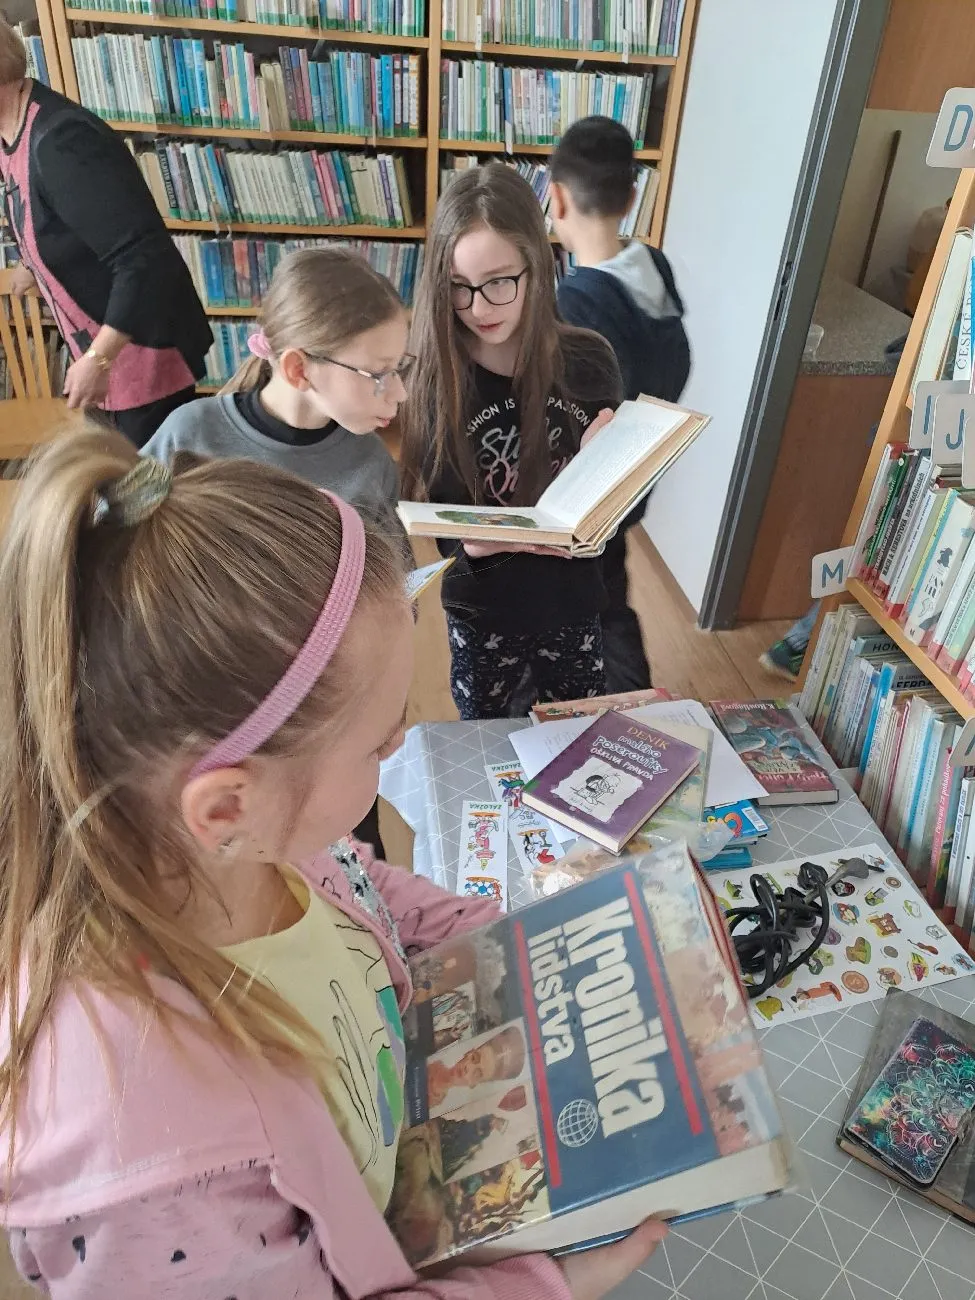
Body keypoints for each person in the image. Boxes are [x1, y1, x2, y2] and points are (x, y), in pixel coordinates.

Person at [0, 429, 666, 1297]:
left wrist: (519, 937)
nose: (400, 747)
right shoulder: (158, 1176)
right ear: (227, 805)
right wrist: (544, 1288)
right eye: (380, 744)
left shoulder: (245, 847)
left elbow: (358, 886)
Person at [144, 246, 413, 854]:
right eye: (378, 373)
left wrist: (386, 707)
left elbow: (396, 592)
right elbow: (113, 543)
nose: (397, 393)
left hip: (331, 724)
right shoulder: (189, 435)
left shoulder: (371, 464)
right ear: (298, 369)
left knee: (350, 859)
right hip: (215, 715)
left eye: (401, 368)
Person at [400, 163, 622, 720]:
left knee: (580, 732)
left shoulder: (588, 361)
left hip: (571, 600)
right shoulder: (434, 377)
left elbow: (610, 510)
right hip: (483, 610)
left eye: (500, 282)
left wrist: (609, 473)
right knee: (485, 737)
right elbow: (440, 519)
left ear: (537, 267)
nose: (479, 308)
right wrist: (472, 543)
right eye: (459, 287)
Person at [0, 18, 211, 446]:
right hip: (107, 357)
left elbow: (143, 256)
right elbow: (50, 215)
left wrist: (99, 358)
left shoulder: (62, 141)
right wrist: (31, 264)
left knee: (152, 482)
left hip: (143, 353)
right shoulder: (11, 131)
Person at [549, 116, 691, 693]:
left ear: (556, 198)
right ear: (632, 198)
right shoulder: (653, 266)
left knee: (597, 608)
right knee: (609, 589)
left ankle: (630, 706)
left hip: (592, 487)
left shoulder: (578, 301)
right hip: (637, 473)